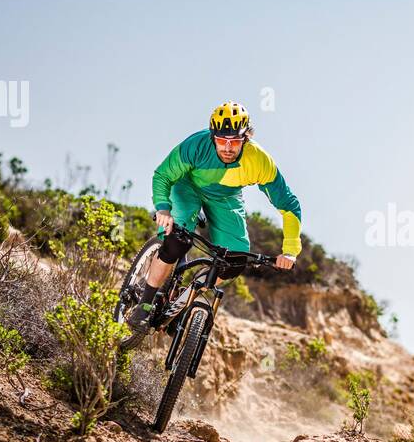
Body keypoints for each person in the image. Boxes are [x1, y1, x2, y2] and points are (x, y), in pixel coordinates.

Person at [125, 101, 301, 328]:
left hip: (225, 196)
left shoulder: (259, 160)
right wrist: (163, 209)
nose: (227, 147)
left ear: (246, 138)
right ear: (212, 136)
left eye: (234, 141)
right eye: (221, 140)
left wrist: (290, 251)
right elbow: (163, 176)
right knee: (177, 241)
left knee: (234, 261)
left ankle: (184, 298)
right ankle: (146, 303)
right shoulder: (195, 145)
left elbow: (289, 205)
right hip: (186, 186)